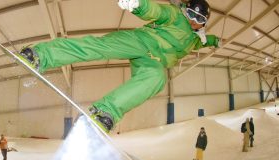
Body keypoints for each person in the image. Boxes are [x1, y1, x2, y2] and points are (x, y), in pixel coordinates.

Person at [17, 0, 220, 132]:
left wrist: (212, 40)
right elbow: (158, 11)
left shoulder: (195, 40)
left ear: (204, 23)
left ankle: (106, 112)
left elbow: (206, 40)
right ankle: (40, 55)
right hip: (141, 41)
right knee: (100, 48)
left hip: (154, 61)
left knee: (157, 79)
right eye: (191, 15)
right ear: (185, 10)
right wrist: (139, 5)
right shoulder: (175, 15)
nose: (193, 21)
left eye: (199, 19)